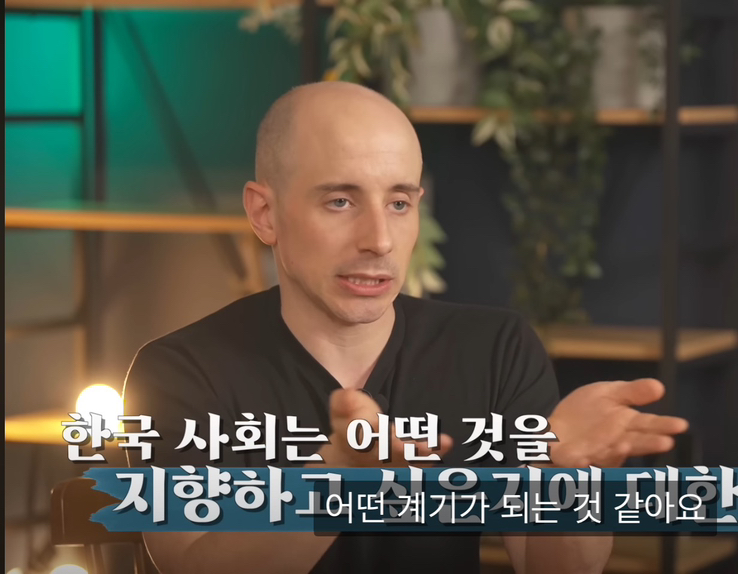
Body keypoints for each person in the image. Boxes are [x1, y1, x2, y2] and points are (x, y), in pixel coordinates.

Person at [122, 81, 688, 574]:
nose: (379, 240)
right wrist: (339, 476)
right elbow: (189, 563)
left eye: (398, 203)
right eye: (340, 201)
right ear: (264, 213)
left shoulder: (494, 349)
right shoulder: (180, 371)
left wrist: (570, 480)